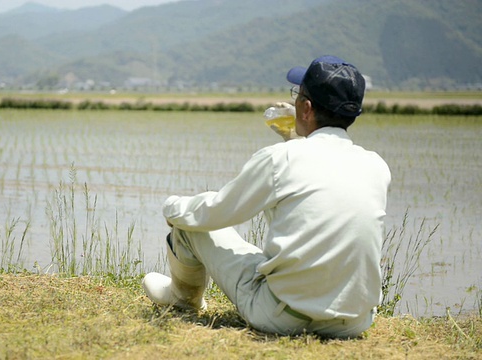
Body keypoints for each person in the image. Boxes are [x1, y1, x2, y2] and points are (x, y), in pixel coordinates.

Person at [142, 55, 391, 338]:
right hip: (354, 322)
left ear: (306, 108)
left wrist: (171, 207)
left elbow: (216, 211)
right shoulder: (376, 165)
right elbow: (320, 175)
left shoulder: (281, 159)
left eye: (298, 95)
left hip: (283, 317)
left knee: (189, 223)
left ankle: (182, 299)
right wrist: (296, 136)